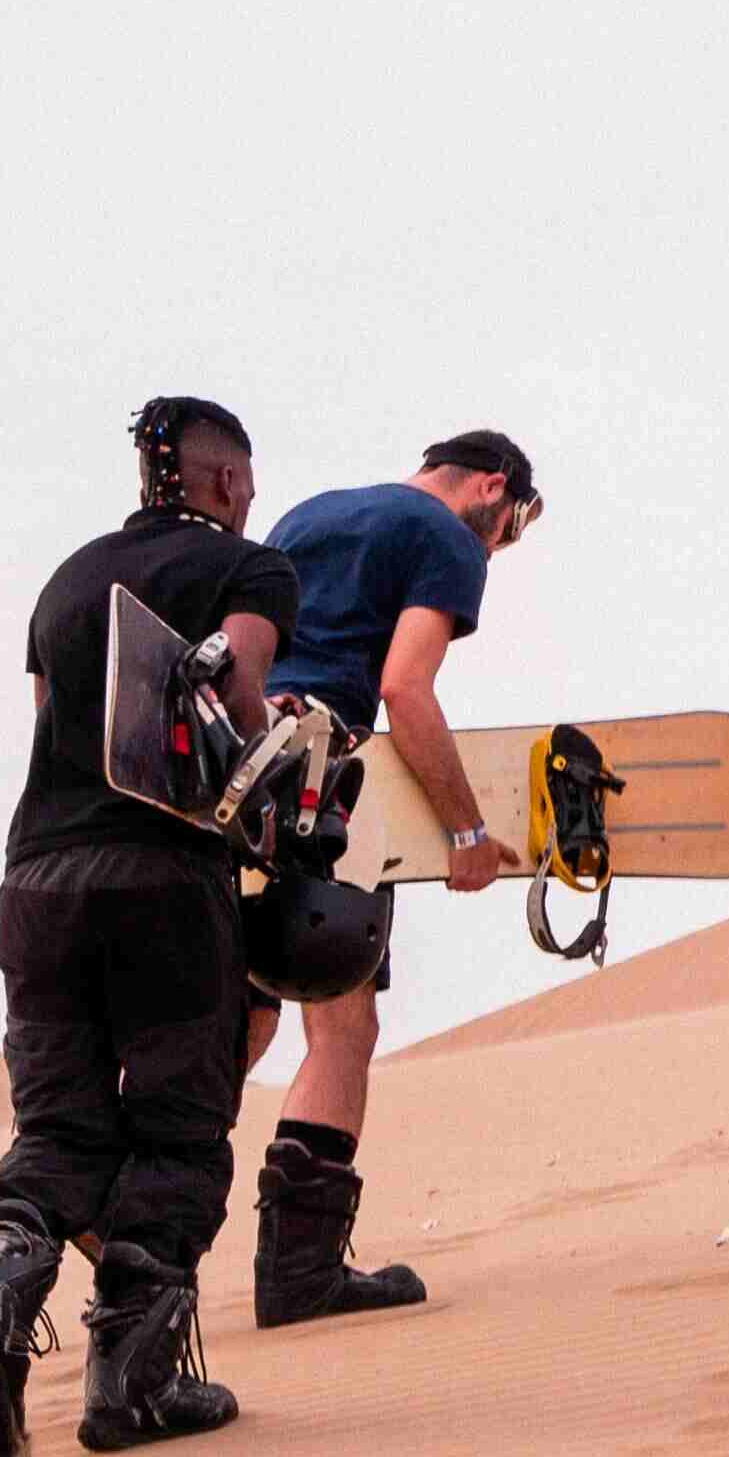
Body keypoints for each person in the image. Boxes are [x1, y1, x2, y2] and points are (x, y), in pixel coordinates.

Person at [0, 398, 300, 1457]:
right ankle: (132, 1383)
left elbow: (56, 718)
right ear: (226, 482)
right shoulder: (251, 570)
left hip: (38, 879)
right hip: (165, 881)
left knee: (58, 1131)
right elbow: (239, 684)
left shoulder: (66, 579)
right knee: (182, 1127)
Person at [234, 433, 540, 1327]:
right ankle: (300, 1274)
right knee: (342, 1024)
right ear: (492, 486)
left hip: (236, 770)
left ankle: (143, 1245)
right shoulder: (443, 535)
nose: (497, 549)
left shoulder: (306, 514)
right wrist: (467, 833)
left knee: (241, 1021)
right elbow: (406, 689)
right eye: (508, 528)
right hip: (328, 782)